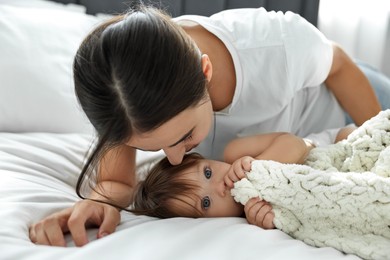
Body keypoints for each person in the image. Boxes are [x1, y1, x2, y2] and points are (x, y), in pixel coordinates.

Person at [29, 4, 390, 247]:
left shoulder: (273, 45)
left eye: (184, 137)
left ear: (206, 73)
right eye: (151, 149)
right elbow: (115, 182)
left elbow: (339, 64)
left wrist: (372, 139)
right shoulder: (128, 98)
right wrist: (96, 204)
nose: (173, 159)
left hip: (350, 107)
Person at [130, 126, 356, 229]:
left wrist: (257, 171)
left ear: (205, 159)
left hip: (331, 145)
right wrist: (269, 220)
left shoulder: (235, 153)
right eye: (206, 203)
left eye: (208, 173)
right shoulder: (249, 217)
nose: (219, 186)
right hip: (334, 184)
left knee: (353, 137)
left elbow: (296, 144)